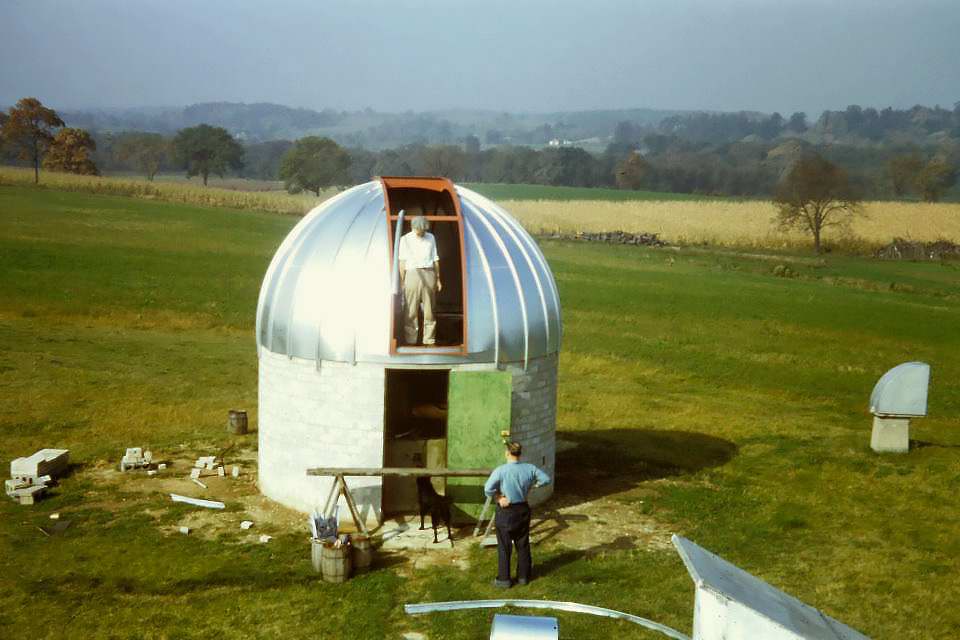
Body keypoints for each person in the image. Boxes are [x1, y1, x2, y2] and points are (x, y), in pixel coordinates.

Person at [483, 441, 552, 588]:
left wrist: (499, 498)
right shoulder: (530, 468)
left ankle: (504, 580)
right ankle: (523, 578)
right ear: (520, 454)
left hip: (506, 512)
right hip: (523, 509)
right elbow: (546, 479)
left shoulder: (501, 470)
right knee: (523, 543)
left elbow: (488, 489)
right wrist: (534, 486)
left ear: (507, 453)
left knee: (504, 546)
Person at [398, 215, 442, 345]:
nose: (421, 232)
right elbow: (402, 261)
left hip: (428, 272)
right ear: (413, 227)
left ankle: (429, 339)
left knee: (430, 309)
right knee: (411, 309)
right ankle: (410, 340)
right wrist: (402, 280)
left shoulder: (431, 238)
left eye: (423, 230)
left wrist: (438, 279)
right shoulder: (405, 239)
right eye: (419, 230)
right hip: (412, 273)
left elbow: (435, 259)